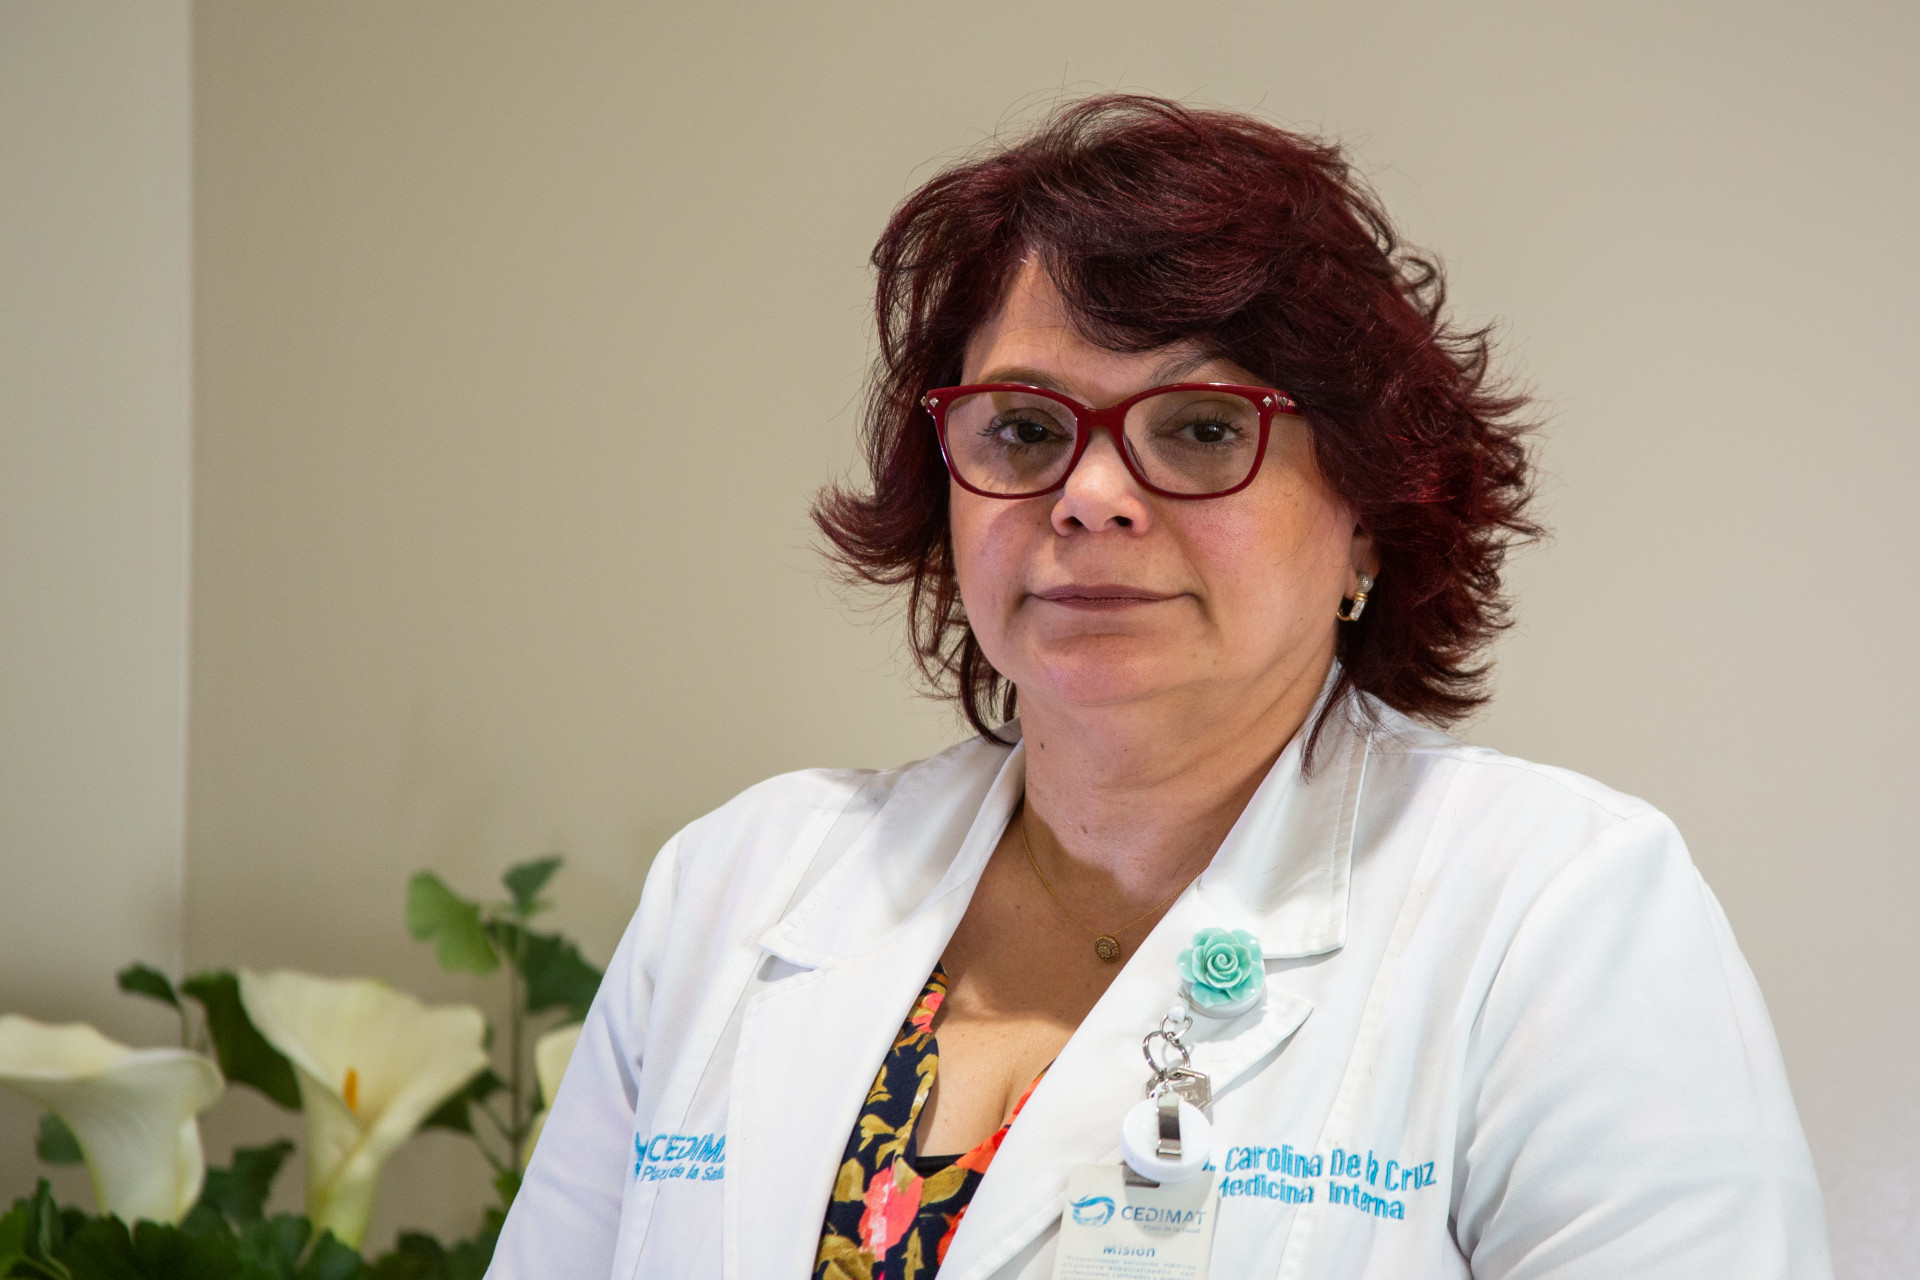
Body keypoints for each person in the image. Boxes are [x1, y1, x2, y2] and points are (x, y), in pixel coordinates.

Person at [487, 95, 1829, 1279]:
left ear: (1368, 517)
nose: (1090, 496)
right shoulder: (738, 888)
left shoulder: (1559, 917)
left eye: (1199, 428)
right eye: (1024, 428)